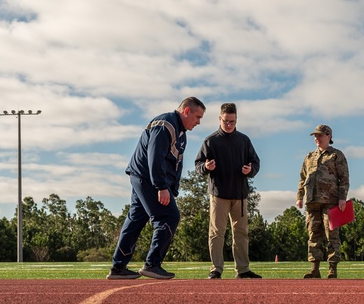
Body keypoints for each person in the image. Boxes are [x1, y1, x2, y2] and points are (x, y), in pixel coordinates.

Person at [107, 96, 206, 279]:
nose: (198, 122)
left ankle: (118, 267)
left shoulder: (181, 132)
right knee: (169, 216)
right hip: (147, 178)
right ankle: (152, 264)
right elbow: (155, 157)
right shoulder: (165, 125)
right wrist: (161, 186)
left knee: (135, 219)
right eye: (197, 117)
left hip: (145, 178)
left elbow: (176, 163)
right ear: (186, 111)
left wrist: (173, 188)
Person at [194, 103, 262, 279]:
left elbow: (255, 162)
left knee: (241, 233)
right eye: (226, 121)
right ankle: (216, 269)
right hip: (219, 195)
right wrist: (206, 167)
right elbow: (198, 165)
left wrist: (250, 170)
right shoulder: (210, 141)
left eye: (232, 121)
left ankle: (243, 270)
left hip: (240, 195)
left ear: (236, 120)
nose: (229, 125)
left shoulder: (244, 140)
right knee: (217, 232)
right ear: (219, 119)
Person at [296, 124, 350, 279]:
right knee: (313, 234)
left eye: (320, 135)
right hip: (312, 201)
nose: (316, 138)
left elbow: (344, 178)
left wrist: (342, 197)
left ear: (329, 136)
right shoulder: (309, 157)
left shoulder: (336, 155)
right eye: (315, 136)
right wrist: (299, 197)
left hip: (331, 201)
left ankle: (332, 269)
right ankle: (315, 269)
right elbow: (302, 178)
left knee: (332, 234)